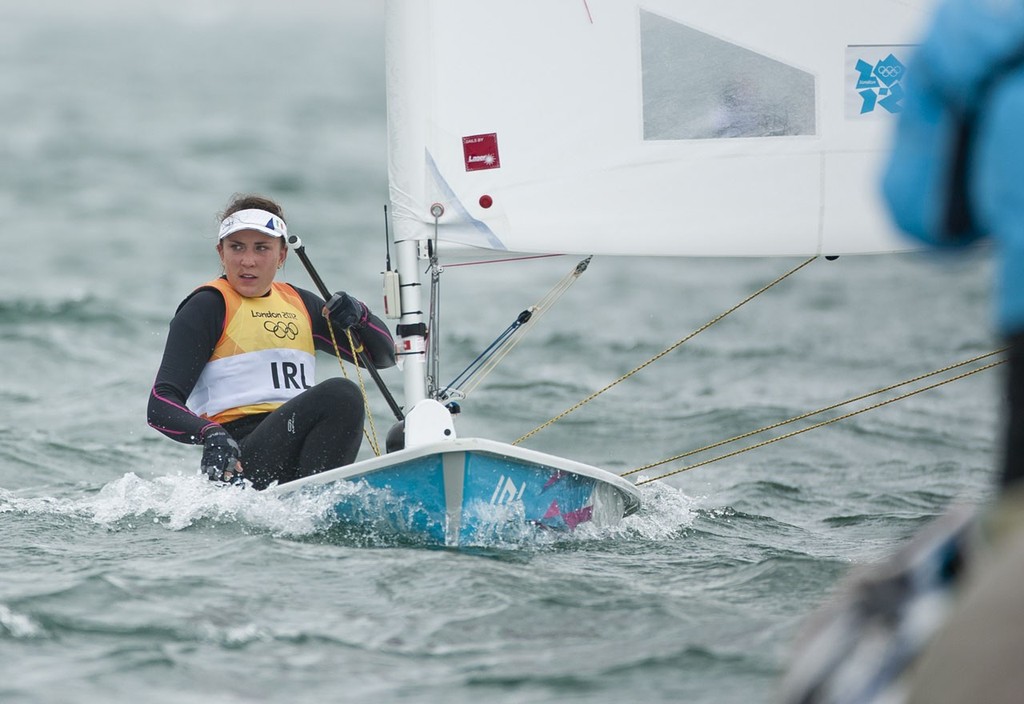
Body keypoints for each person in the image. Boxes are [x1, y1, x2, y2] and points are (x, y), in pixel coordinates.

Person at [147, 194, 396, 489]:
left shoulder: (301, 303)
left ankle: (317, 503)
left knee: (342, 397)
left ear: (281, 256)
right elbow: (160, 403)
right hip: (240, 458)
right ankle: (316, 503)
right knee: (341, 394)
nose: (247, 261)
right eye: (236, 247)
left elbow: (382, 357)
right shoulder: (208, 306)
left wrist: (360, 315)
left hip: (298, 448)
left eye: (261, 248)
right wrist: (210, 433)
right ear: (221, 252)